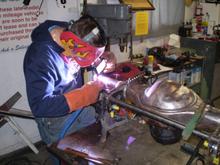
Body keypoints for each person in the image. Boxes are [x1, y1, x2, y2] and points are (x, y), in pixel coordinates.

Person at [23, 15, 115, 164]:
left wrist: (104, 58)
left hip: (78, 108)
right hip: (55, 118)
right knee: (65, 159)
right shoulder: (40, 56)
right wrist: (85, 95)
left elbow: (87, 51)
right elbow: (40, 106)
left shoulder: (75, 34)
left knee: (98, 143)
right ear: (71, 44)